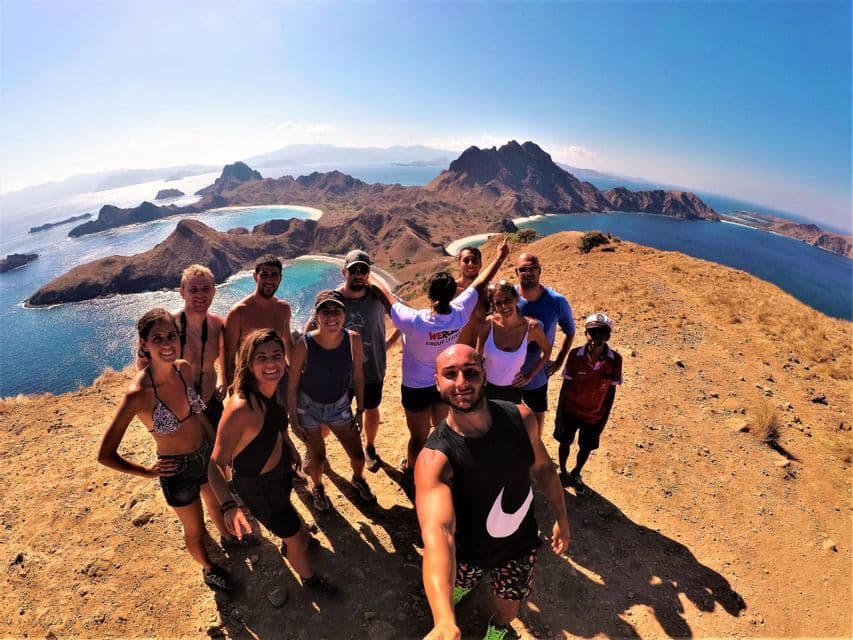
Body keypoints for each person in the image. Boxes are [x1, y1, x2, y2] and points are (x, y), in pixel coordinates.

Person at [415, 345, 570, 640]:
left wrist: (562, 517)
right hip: (466, 554)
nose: (462, 382)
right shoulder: (435, 460)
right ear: (437, 382)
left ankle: (498, 626)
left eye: (471, 372)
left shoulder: (521, 418)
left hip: (519, 548)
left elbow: (544, 468)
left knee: (508, 610)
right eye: (450, 374)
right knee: (458, 581)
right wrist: (444, 619)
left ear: (484, 375)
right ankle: (458, 591)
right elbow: (439, 533)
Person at [97, 308, 232, 592]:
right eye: (157, 338)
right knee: (195, 530)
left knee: (216, 503)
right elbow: (105, 454)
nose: (167, 343)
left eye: (171, 335)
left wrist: (216, 448)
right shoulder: (138, 394)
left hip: (204, 455)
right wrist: (147, 472)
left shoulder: (184, 369)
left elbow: (198, 412)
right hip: (176, 470)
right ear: (144, 344)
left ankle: (230, 538)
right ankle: (209, 569)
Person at [207, 329, 338, 596]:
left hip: (279, 474)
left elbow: (277, 425)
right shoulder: (241, 408)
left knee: (290, 516)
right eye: (262, 357)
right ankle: (310, 579)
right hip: (259, 488)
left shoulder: (271, 388)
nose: (271, 363)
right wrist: (229, 506)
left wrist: (288, 446)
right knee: (297, 538)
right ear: (248, 362)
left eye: (277, 355)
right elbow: (213, 465)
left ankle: (293, 540)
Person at [372, 237, 509, 481]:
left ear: (429, 294)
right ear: (451, 294)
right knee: (443, 429)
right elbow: (479, 283)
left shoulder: (413, 320)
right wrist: (499, 257)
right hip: (443, 383)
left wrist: (367, 275)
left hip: (415, 387)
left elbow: (384, 295)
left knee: (417, 437)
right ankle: (444, 468)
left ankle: (413, 473)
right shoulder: (459, 314)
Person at [287, 290, 374, 512]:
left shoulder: (352, 339)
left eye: (337, 311)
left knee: (358, 456)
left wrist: (360, 410)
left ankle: (358, 478)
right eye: (325, 311)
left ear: (344, 315)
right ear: (317, 316)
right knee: (317, 458)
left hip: (339, 406)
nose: (332, 316)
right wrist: (294, 420)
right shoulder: (304, 344)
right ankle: (317, 486)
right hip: (308, 408)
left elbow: (358, 376)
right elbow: (292, 384)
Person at [336, 249, 396, 472]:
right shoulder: (334, 299)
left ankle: (369, 447)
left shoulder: (378, 296)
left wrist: (387, 344)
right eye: (354, 270)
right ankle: (315, 448)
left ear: (368, 273)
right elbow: (314, 327)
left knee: (371, 408)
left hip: (372, 369)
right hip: (342, 372)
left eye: (363, 270)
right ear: (344, 272)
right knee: (332, 412)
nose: (359, 275)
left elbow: (402, 316)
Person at [554, 313, 622, 495]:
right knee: (564, 442)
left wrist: (603, 421)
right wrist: (559, 416)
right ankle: (562, 469)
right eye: (592, 333)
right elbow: (565, 387)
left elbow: (611, 393)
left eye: (601, 333)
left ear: (608, 337)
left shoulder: (615, 361)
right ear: (585, 334)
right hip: (570, 411)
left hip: (594, 416)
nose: (596, 338)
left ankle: (576, 472)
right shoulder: (575, 356)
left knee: (585, 448)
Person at [515, 252, 576, 435]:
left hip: (537, 372)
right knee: (511, 411)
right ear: (516, 272)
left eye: (533, 268)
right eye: (523, 269)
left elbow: (570, 331)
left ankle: (536, 443)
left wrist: (558, 362)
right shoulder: (509, 298)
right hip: (509, 371)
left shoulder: (556, 301)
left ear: (539, 270)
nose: (529, 273)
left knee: (537, 411)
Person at [223, 255, 295, 396]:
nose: (269, 280)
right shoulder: (239, 312)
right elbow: (229, 358)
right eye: (264, 274)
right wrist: (234, 392)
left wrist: (295, 378)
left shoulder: (283, 309)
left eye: (274, 275)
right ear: (255, 277)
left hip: (278, 383)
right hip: (249, 385)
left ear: (280, 279)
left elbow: (288, 345)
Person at [476, 282, 552, 404]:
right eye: (498, 303)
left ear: (516, 299)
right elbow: (477, 355)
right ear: (494, 306)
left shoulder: (532, 328)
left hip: (513, 391)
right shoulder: (488, 324)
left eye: (507, 300)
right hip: (485, 388)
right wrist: (478, 374)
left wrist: (529, 376)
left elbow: (547, 351)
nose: (504, 306)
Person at [176, 265, 227, 431]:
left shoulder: (218, 325)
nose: (200, 295)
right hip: (181, 405)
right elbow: (145, 361)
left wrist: (222, 379)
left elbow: (223, 351)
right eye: (193, 290)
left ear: (213, 292)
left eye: (206, 289)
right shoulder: (170, 325)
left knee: (218, 445)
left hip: (211, 399)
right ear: (182, 293)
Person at [454, 246, 489, 348]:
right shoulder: (450, 292)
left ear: (480, 264)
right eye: (466, 260)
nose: (471, 264)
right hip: (459, 351)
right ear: (459, 264)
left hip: (483, 352)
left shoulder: (489, 291)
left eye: (475, 260)